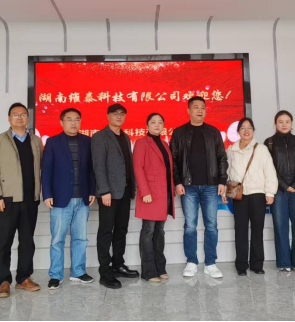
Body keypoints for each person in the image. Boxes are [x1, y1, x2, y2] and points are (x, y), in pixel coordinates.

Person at [0, 103, 44, 298]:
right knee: (4, 242)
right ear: (9, 118)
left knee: (27, 241)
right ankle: (4, 281)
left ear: (28, 118)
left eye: (23, 114)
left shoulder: (36, 141)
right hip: (6, 201)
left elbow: (40, 168)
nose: (19, 118)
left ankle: (23, 278)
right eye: (15, 115)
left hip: (30, 199)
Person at [171, 97, 228, 279]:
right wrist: (177, 181)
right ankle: (191, 262)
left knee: (211, 225)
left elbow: (221, 157)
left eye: (203, 107)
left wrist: (222, 180)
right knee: (190, 226)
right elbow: (173, 160)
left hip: (211, 186)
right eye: (196, 107)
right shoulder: (179, 133)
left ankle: (211, 263)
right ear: (188, 110)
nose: (199, 110)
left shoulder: (213, 132)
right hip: (188, 187)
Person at [42, 108, 97, 290]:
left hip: (82, 199)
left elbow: (91, 169)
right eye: (69, 119)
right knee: (57, 240)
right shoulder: (53, 142)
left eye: (77, 119)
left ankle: (78, 272)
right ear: (62, 122)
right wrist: (47, 194)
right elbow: (46, 170)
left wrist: (92, 191)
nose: (74, 123)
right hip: (60, 199)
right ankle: (55, 275)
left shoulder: (87, 141)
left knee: (80, 238)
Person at [92, 103, 139, 289]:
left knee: (121, 230)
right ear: (108, 116)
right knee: (106, 231)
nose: (119, 116)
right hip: (109, 193)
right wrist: (104, 190)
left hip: (125, 192)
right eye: (115, 113)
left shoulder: (125, 137)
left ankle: (118, 265)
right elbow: (98, 166)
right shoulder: (100, 137)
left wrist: (132, 189)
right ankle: (105, 272)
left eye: (122, 114)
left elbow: (128, 165)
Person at [228, 118, 278, 276]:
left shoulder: (261, 149)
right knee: (240, 230)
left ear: (253, 130)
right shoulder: (231, 150)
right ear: (238, 131)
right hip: (239, 195)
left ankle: (257, 264)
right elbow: (227, 171)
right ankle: (241, 265)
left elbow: (269, 171)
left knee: (257, 230)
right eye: (243, 128)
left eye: (249, 127)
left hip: (257, 194)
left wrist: (270, 192)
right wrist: (225, 191)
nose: (246, 131)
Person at [265, 111, 295, 275]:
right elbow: (268, 168)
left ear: (291, 123)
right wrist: (284, 185)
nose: (284, 124)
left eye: (287, 121)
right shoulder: (269, 143)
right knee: (280, 225)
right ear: (275, 123)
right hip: (278, 190)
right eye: (280, 121)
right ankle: (284, 262)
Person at [133, 113, 176, 283]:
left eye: (160, 122)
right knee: (148, 231)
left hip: (164, 194)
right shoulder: (142, 143)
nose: (157, 125)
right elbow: (138, 167)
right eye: (153, 122)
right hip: (150, 194)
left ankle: (160, 268)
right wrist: (145, 192)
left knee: (159, 231)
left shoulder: (165, 144)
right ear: (147, 125)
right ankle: (149, 271)